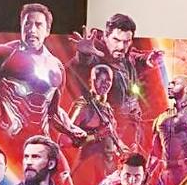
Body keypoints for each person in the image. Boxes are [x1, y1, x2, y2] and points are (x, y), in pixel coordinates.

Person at [0, 4, 87, 146]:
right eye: (27, 24)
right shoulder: (1, 54)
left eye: (38, 25)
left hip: (41, 144)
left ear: (47, 30)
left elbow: (53, 112)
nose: (32, 30)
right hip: (6, 143)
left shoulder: (56, 67)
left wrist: (71, 129)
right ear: (21, 26)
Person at [68, 13, 164, 150]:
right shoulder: (97, 55)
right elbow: (80, 66)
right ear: (105, 37)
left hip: (131, 128)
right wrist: (83, 55)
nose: (121, 46)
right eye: (116, 40)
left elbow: (132, 56)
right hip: (109, 135)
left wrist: (146, 58)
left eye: (126, 41)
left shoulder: (124, 54)